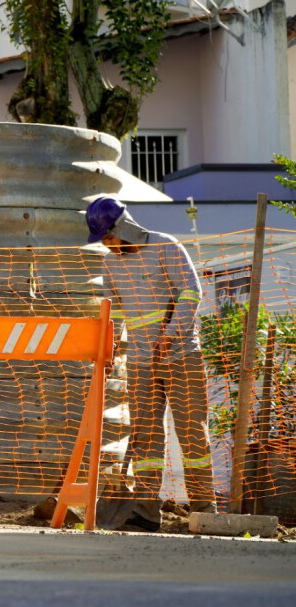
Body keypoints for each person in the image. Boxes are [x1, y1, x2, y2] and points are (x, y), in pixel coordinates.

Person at [84, 197, 217, 531]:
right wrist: (110, 345)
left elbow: (191, 292)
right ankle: (145, 509)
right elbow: (112, 310)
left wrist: (170, 335)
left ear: (124, 227)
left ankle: (204, 508)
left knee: (191, 431)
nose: (107, 244)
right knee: (145, 435)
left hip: (181, 355)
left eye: (109, 237)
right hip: (141, 362)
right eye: (102, 240)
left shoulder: (165, 247)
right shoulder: (110, 264)